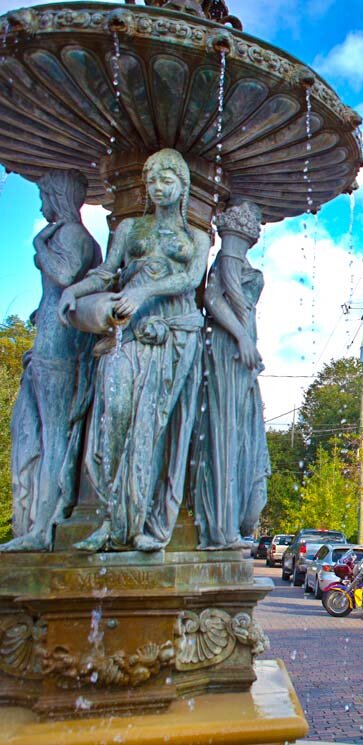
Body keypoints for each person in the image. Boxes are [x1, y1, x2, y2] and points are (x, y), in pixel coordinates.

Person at [59, 148, 210, 551]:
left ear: (183, 185)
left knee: (148, 427)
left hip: (172, 335)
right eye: (152, 180)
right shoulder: (128, 228)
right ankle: (110, 515)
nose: (158, 187)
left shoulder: (197, 238)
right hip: (125, 333)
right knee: (113, 419)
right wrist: (74, 290)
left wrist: (144, 290)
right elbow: (106, 272)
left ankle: (130, 525)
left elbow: (190, 280)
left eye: (167, 180)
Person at [1, 170, 101, 552]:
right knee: (43, 433)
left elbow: (65, 274)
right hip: (56, 343)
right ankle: (42, 522)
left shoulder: (71, 235)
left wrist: (37, 245)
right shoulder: (81, 238)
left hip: (59, 347)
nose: (42, 206)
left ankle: (43, 528)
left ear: (58, 196)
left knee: (53, 435)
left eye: (44, 197)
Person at [191, 201, 270, 549]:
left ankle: (227, 524)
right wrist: (241, 336)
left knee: (236, 432)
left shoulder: (233, 260)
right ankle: (221, 528)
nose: (258, 225)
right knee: (225, 432)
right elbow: (211, 298)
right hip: (227, 349)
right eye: (254, 220)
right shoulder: (228, 259)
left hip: (239, 353)